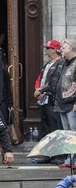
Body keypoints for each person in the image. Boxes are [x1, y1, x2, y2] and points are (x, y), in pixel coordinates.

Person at [34, 40, 64, 138]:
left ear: (54, 50)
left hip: (53, 100)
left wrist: (40, 90)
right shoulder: (47, 64)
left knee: (54, 127)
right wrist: (37, 90)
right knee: (45, 127)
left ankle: (57, 152)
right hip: (44, 100)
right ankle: (47, 151)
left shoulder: (61, 63)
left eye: (48, 48)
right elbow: (40, 79)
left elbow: (53, 82)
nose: (46, 50)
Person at [55, 38, 76, 168]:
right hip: (62, 103)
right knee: (66, 134)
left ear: (71, 48)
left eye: (64, 46)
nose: (61, 48)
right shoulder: (64, 62)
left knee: (74, 133)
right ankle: (69, 160)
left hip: (72, 104)